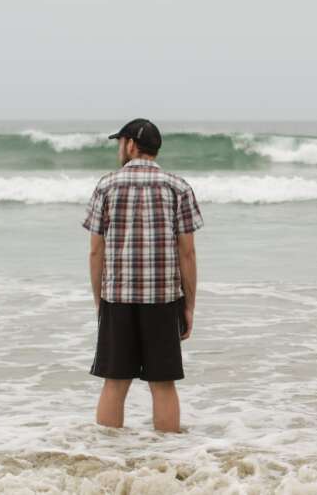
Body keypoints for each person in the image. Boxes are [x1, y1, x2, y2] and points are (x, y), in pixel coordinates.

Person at [82, 118, 203, 433]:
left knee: (115, 383)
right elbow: (187, 253)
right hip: (163, 298)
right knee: (163, 384)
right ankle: (166, 463)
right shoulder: (178, 187)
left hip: (117, 297)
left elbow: (96, 252)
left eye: (120, 143)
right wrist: (189, 306)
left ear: (130, 145)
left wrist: (100, 301)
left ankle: (107, 460)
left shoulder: (106, 185)